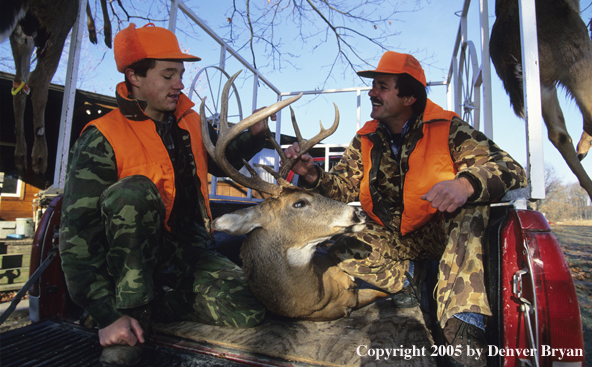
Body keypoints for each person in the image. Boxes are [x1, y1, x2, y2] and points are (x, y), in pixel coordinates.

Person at [285, 51, 527, 367]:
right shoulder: (366, 137)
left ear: (409, 96)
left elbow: (510, 168)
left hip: (440, 235)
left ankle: (463, 324)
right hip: (394, 238)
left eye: (382, 86)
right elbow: (343, 187)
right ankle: (408, 279)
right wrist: (313, 176)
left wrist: (464, 184)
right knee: (340, 248)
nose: (372, 92)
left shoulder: (449, 127)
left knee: (469, 211)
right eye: (374, 86)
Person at [59, 23, 269, 366]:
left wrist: (254, 136)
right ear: (134, 77)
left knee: (252, 307)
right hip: (130, 264)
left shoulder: (189, 122)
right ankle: (127, 315)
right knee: (135, 192)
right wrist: (105, 313)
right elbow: (76, 238)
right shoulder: (102, 136)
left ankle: (153, 307)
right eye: (168, 74)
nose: (180, 84)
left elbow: (219, 160)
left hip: (188, 253)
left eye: (181, 74)